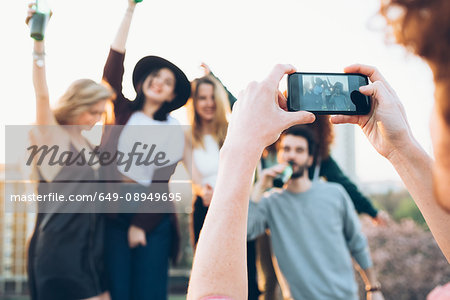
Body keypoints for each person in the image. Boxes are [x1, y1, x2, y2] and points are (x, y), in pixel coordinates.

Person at [100, 1, 191, 299]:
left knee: (149, 292)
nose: (159, 83)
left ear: (173, 94)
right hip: (114, 210)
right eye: (156, 77)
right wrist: (129, 10)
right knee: (118, 290)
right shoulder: (122, 111)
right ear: (144, 81)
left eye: (167, 82)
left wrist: (140, 224)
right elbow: (113, 68)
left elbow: (160, 181)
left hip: (151, 215)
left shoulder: (173, 127)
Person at [25, 5, 114, 300]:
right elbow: (41, 94)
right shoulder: (54, 139)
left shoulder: (91, 146)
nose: (97, 119)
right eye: (92, 111)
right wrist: (39, 42)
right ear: (76, 106)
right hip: (58, 255)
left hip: (90, 255)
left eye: (101, 113)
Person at [247, 125, 383, 300]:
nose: (292, 155)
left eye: (299, 150)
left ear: (310, 159)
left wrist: (373, 288)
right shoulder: (270, 202)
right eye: (286, 149)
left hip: (343, 296)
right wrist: (259, 188)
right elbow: (248, 232)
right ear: (280, 155)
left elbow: (357, 242)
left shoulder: (335, 194)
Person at [188, 75, 230, 246]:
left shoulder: (232, 130)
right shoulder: (188, 136)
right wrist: (203, 191)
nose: (209, 103)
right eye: (202, 98)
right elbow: (194, 178)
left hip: (233, 204)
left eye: (213, 97)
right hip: (204, 206)